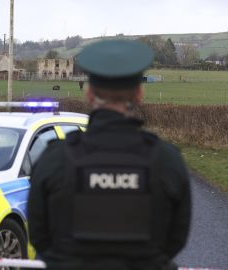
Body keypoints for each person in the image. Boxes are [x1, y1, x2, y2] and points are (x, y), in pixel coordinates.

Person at [27, 40, 191, 270]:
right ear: (139, 93)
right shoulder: (167, 161)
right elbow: (175, 240)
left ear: (90, 94)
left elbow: (39, 236)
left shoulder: (55, 159)